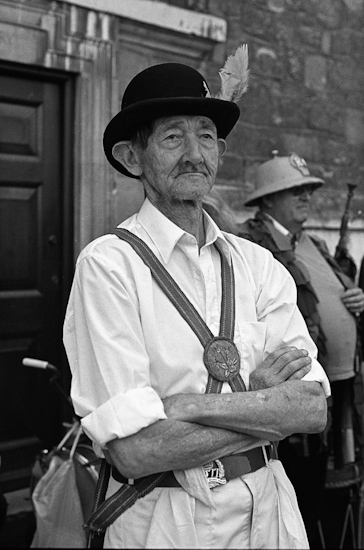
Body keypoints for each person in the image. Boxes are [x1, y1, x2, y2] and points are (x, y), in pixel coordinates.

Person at [63, 59, 330, 549]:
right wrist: (262, 404)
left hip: (270, 512)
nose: (194, 154)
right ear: (132, 156)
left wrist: (183, 407)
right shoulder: (108, 266)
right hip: (166, 519)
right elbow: (137, 450)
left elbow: (311, 409)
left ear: (220, 151)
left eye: (206, 136)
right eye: (172, 137)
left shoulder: (259, 263)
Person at [239, 151, 364, 545]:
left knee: (328, 494)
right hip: (292, 390)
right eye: (294, 190)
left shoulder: (312, 242)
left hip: (337, 386)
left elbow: (333, 290)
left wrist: (353, 296)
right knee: (296, 496)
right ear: (268, 199)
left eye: (308, 189)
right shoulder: (251, 242)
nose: (306, 197)